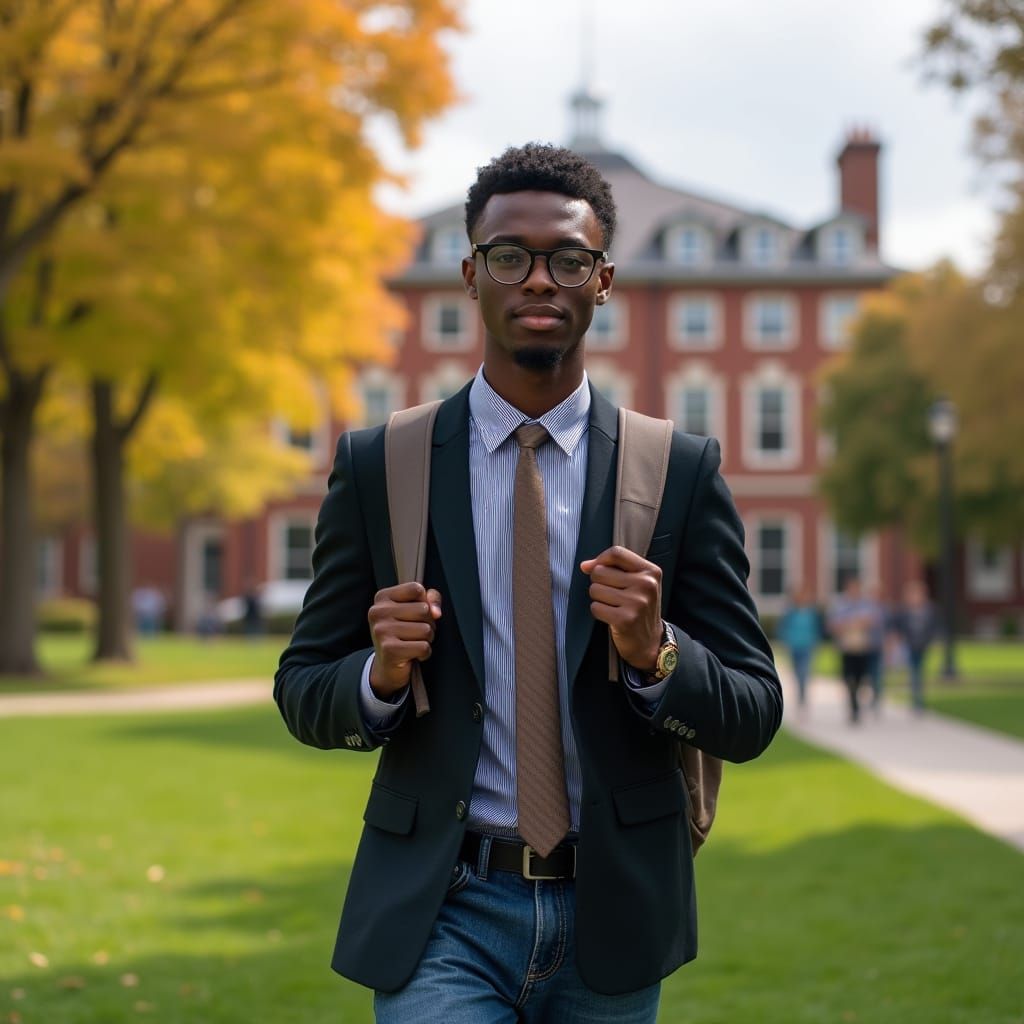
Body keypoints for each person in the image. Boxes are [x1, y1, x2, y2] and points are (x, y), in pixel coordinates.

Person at [274, 143, 783, 1023]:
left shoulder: (678, 471)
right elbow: (302, 689)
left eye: (568, 260)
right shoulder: (380, 464)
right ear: (471, 274)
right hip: (443, 904)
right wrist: (379, 678)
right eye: (510, 256)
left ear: (605, 280)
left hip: (614, 909)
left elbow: (752, 711)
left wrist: (656, 653)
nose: (539, 279)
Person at [828, 575, 883, 724]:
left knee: (860, 678)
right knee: (848, 677)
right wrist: (850, 624)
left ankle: (857, 702)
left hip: (862, 647)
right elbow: (833, 624)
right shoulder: (840, 605)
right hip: (847, 648)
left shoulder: (866, 604)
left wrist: (856, 623)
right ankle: (853, 705)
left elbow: (873, 620)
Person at [890, 579, 938, 713]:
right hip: (909, 646)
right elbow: (897, 627)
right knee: (915, 673)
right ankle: (917, 702)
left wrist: (933, 641)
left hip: (923, 645)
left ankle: (919, 701)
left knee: (920, 673)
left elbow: (934, 627)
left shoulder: (929, 609)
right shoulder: (904, 611)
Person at [777, 587, 822, 711]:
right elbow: (783, 628)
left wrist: (815, 643)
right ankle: (800, 695)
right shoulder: (790, 612)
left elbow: (816, 629)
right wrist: (785, 641)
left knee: (804, 673)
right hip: (794, 646)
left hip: (807, 647)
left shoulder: (811, 613)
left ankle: (802, 698)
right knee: (797, 674)